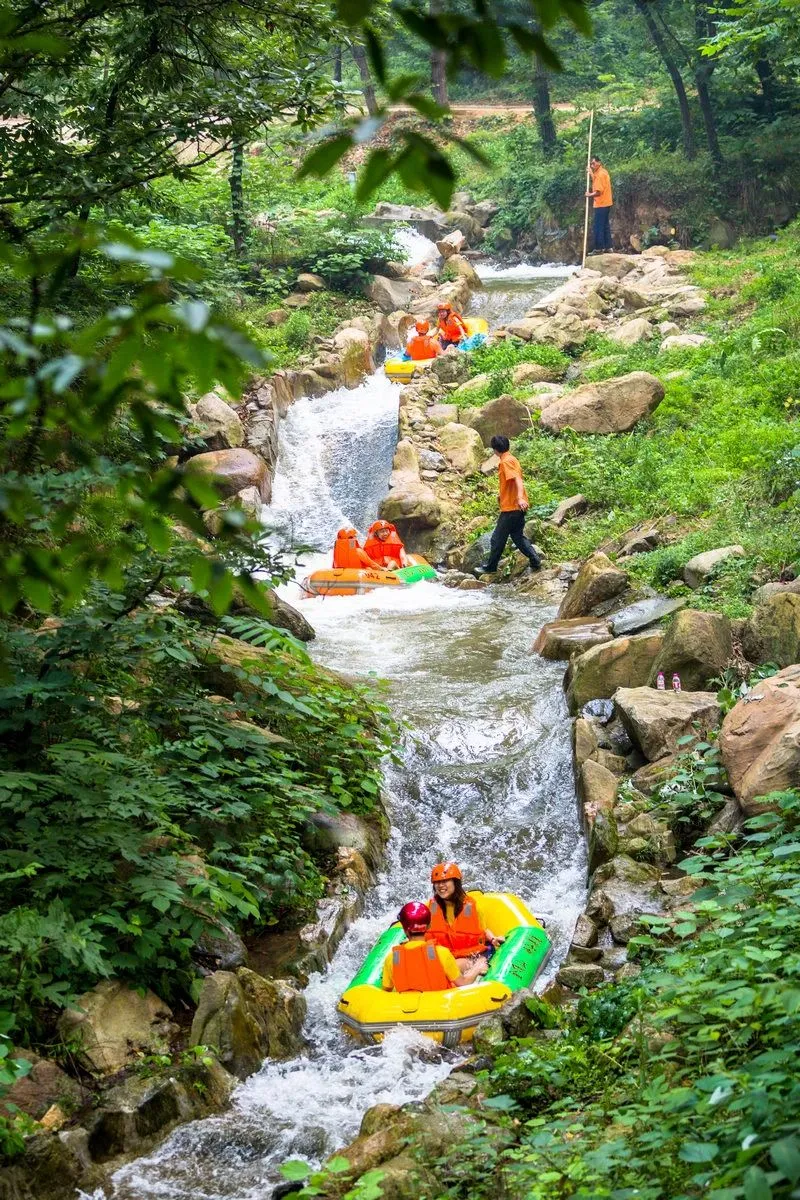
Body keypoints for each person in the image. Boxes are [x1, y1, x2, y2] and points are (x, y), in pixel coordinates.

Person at [381, 901, 489, 992]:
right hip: (441, 1006)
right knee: (472, 964)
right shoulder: (442, 953)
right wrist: (477, 968)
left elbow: (386, 991)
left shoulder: (392, 958)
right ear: (428, 926)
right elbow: (463, 983)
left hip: (404, 1010)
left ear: (405, 929)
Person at [473, 436, 541, 577]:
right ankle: (535, 560)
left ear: (495, 449)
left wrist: (520, 498)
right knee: (517, 537)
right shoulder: (512, 459)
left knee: (497, 538)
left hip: (512, 508)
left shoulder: (506, 462)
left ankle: (491, 567)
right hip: (515, 507)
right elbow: (513, 481)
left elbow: (517, 480)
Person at [426, 862, 504, 966]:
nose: (440, 885)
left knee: (456, 965)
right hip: (447, 955)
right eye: (437, 882)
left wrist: (493, 939)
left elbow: (483, 930)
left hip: (473, 954)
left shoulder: (473, 907)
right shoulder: (431, 907)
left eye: (445, 881)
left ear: (455, 882)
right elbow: (425, 932)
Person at [586, 155, 613, 253]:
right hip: (606, 202)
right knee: (605, 225)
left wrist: (589, 194)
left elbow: (598, 191)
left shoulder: (600, 174)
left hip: (601, 203)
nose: (592, 165)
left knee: (598, 226)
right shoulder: (602, 172)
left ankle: (599, 248)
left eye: (593, 163)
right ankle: (608, 247)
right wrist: (591, 173)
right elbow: (597, 181)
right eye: (591, 164)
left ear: (599, 162)